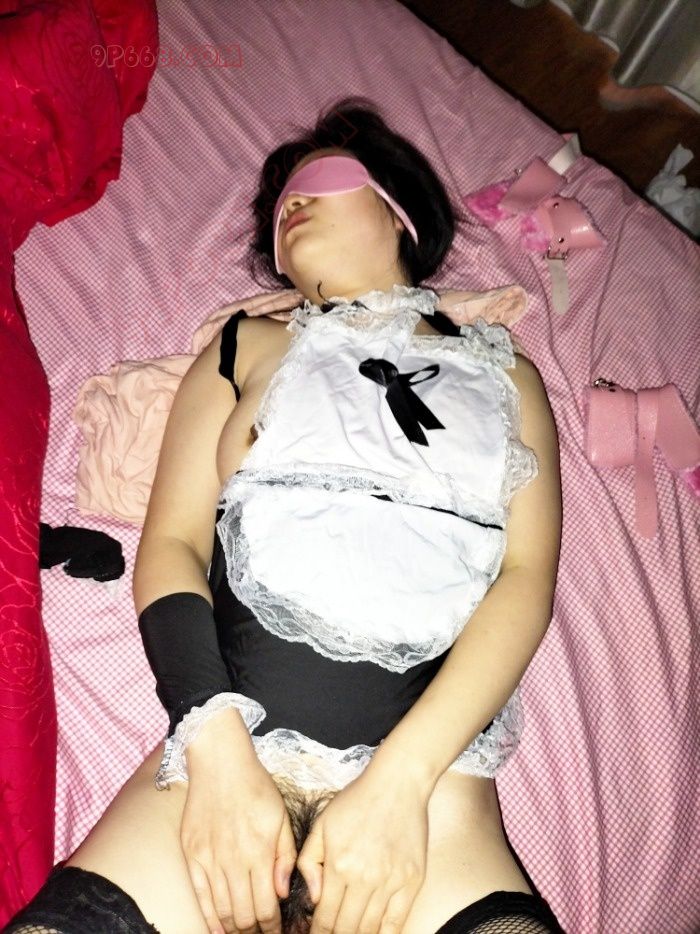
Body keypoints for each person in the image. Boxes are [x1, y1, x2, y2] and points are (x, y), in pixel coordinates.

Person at [4, 97, 564, 934]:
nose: (290, 205)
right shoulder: (241, 347)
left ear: (399, 211)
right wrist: (216, 756)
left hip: (430, 803)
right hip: (220, 770)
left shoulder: (504, 373)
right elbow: (173, 547)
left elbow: (524, 581)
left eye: (320, 179)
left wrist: (401, 783)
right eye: (277, 208)